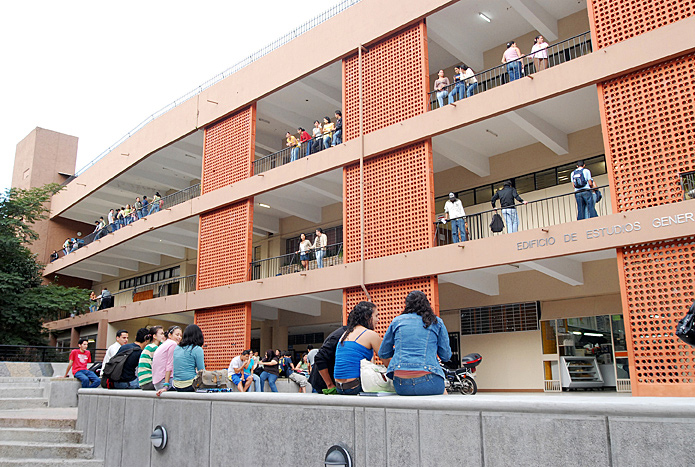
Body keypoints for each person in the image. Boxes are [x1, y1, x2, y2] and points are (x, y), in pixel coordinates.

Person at [379, 291, 452, 396]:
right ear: (427, 304)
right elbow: (446, 356)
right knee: (444, 395)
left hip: (401, 384)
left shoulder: (397, 321)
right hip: (429, 380)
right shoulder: (436, 322)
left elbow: (383, 353)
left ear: (407, 305)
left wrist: (399, 350)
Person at [334, 301, 388, 395]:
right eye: (376, 316)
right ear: (367, 317)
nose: (378, 320)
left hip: (339, 387)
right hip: (354, 387)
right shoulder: (370, 334)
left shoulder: (345, 334)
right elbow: (388, 362)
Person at [308, 325, 348, 394]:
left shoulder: (343, 333)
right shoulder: (341, 335)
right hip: (322, 384)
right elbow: (319, 357)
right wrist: (330, 385)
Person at [172, 324, 205, 392]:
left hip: (176, 385)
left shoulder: (177, 348)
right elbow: (201, 371)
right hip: (190, 385)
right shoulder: (197, 349)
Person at [153, 325, 182, 394]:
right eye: (177, 335)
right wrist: (166, 386)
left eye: (181, 335)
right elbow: (169, 365)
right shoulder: (173, 344)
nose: (179, 337)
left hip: (157, 383)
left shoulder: (164, 344)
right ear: (170, 335)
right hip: (164, 382)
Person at [138, 326, 164, 390]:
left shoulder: (150, 346)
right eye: (161, 334)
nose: (163, 336)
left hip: (144, 382)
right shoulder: (154, 348)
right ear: (154, 336)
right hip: (149, 381)